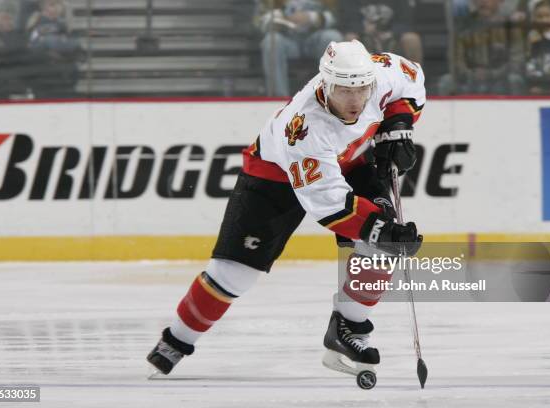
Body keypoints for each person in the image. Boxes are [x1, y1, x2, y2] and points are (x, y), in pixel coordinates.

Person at [146, 39, 426, 378]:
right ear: (325, 84)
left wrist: (398, 125)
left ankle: (348, 327)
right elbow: (329, 204)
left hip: (349, 160)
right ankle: (176, 340)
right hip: (274, 176)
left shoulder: (380, 74)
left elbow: (412, 82)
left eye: (361, 90)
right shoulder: (304, 127)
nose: (355, 101)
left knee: (382, 248)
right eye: (344, 91)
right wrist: (383, 229)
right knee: (234, 275)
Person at [256, 0, 343, 96]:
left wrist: (312, 17)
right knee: (271, 41)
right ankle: (278, 97)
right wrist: (281, 19)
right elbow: (259, 20)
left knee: (333, 38)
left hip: (316, 38)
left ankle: (330, 95)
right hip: (287, 39)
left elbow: (339, 15)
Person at [439, 0, 525, 95]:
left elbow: (517, 61)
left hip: (501, 79)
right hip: (469, 79)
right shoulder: (463, 26)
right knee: (447, 81)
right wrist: (471, 74)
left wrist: (491, 74)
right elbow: (456, 60)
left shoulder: (510, 27)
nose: (483, 2)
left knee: (515, 80)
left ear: (499, 1)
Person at [25, 0, 82, 98]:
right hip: (47, 83)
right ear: (42, 7)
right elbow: (54, 43)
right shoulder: (40, 25)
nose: (56, 8)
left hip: (65, 81)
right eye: (52, 5)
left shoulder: (63, 25)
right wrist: (66, 43)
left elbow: (77, 48)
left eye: (59, 4)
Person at [338, 0, 423, 65]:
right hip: (362, 34)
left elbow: (406, 20)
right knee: (349, 39)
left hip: (392, 34)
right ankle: (350, 81)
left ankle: (415, 82)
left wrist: (392, 32)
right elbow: (346, 20)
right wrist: (363, 29)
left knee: (412, 39)